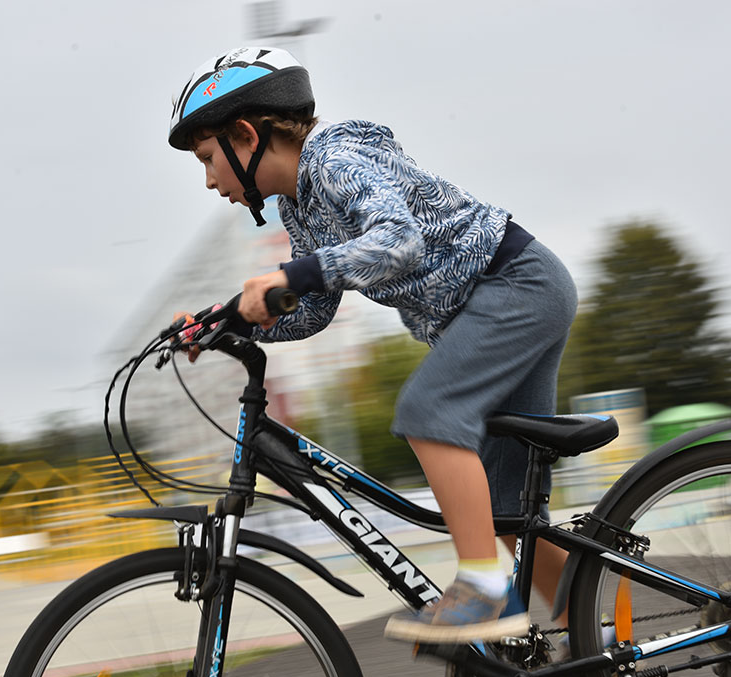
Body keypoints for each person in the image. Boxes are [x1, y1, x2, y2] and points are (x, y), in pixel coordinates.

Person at [167, 46, 578, 645]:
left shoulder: (336, 157)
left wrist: (293, 276)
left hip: (515, 286)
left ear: (245, 135)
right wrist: (232, 321)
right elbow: (311, 309)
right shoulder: (296, 204)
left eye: (208, 159)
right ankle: (589, 627)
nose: (209, 180)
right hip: (502, 302)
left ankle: (483, 593)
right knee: (504, 508)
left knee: (428, 412)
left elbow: (399, 240)